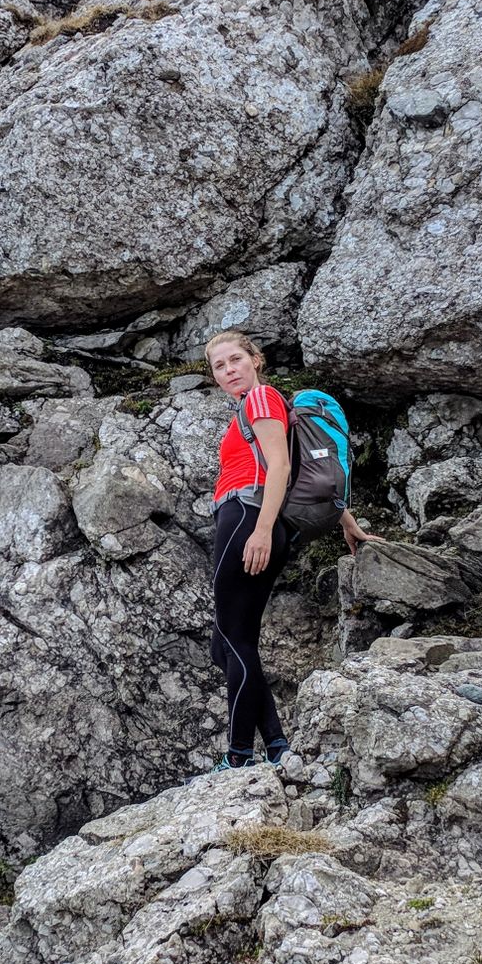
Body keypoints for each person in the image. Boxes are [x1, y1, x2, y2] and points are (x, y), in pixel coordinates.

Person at [205, 329, 376, 770]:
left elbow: (281, 466)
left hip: (248, 516)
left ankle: (240, 755)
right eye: (219, 366)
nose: (228, 371)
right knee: (230, 645)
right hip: (257, 520)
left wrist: (261, 531)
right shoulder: (263, 406)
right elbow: (302, 468)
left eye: (235, 360)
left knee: (231, 639)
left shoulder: (260, 400)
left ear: (255, 360)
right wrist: (347, 521)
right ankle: (277, 746)